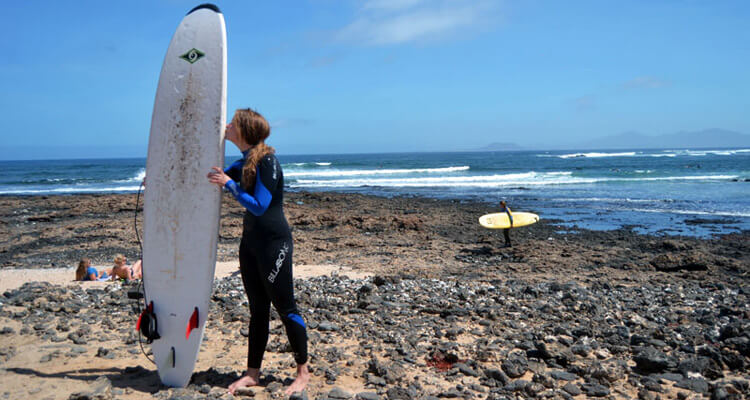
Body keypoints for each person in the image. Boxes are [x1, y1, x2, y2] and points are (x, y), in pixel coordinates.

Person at [207, 108, 309, 395]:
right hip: (250, 244)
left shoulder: (267, 162)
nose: (226, 125)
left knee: (286, 309)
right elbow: (210, 179)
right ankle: (253, 373)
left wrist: (230, 186)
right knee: (257, 311)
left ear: (243, 131)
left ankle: (303, 372)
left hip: (274, 244)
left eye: (232, 123)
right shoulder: (244, 163)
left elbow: (260, 205)